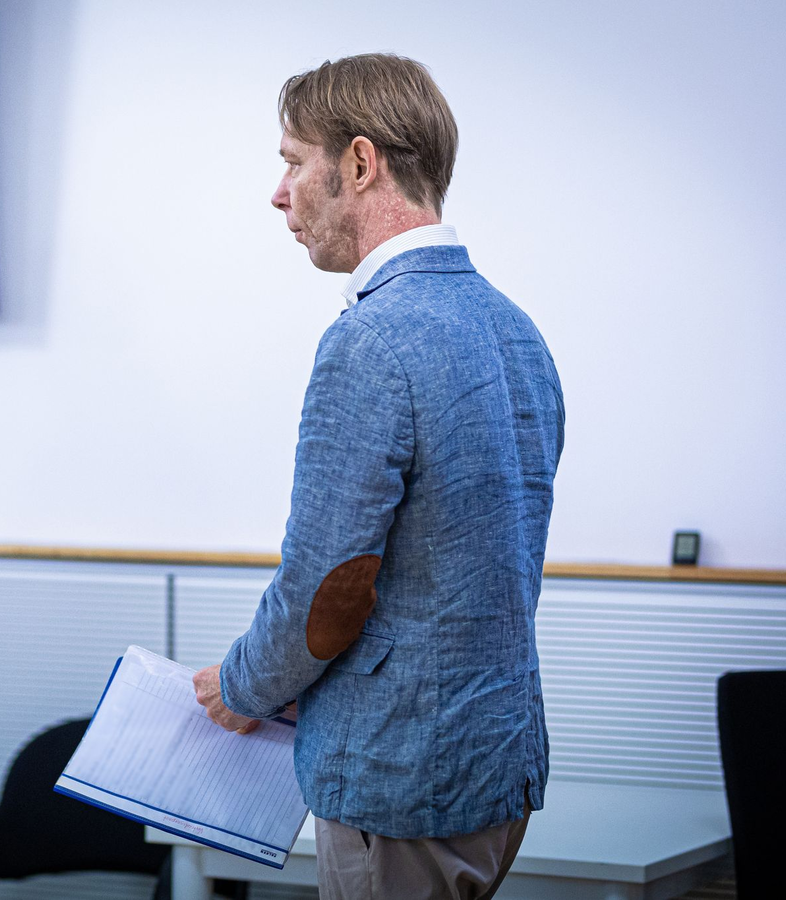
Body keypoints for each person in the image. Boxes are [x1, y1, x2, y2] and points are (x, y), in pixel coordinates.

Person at [192, 53, 565, 900]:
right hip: (498, 765)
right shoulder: (517, 331)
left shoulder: (370, 341)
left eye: (293, 162)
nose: (278, 193)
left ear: (359, 164)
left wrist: (246, 686)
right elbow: (445, 584)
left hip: (400, 780)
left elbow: (328, 586)